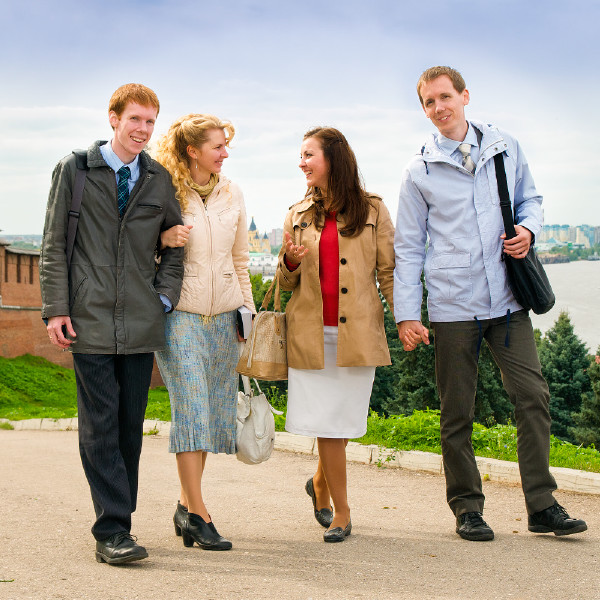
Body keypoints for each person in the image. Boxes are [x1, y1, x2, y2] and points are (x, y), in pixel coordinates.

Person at [394, 66, 588, 541]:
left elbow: (532, 200)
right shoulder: (419, 169)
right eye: (428, 102)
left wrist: (529, 230)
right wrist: (406, 313)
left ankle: (541, 505)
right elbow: (409, 247)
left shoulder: (505, 148)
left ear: (464, 96)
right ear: (424, 109)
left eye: (445, 97)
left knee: (534, 397)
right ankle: (466, 507)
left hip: (506, 299)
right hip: (452, 303)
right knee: (457, 410)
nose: (439, 108)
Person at [40, 84, 184, 563]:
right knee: (100, 425)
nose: (142, 130)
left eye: (150, 122)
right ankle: (113, 531)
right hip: (89, 318)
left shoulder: (159, 179)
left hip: (141, 321)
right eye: (135, 120)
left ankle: (119, 522)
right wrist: (57, 308)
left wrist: (163, 297)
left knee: (128, 426)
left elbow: (176, 245)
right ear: (113, 118)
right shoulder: (76, 170)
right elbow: (54, 245)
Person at [277, 126, 395, 543]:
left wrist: (406, 320)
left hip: (357, 333)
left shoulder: (373, 209)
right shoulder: (297, 214)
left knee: (341, 423)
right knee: (328, 425)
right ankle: (342, 511)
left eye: (309, 154)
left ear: (334, 159)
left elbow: (387, 273)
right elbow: (285, 283)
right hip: (311, 333)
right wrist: (289, 263)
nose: (302, 162)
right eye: (301, 154)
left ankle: (320, 484)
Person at [154, 114, 256, 551]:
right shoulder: (163, 192)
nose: (225, 154)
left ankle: (184, 505)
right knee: (191, 409)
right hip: (181, 316)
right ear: (193, 151)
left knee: (211, 416)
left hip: (224, 319)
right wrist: (162, 240)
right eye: (217, 146)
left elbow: (240, 262)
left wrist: (247, 313)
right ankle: (199, 514)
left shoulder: (233, 192)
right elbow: (138, 248)